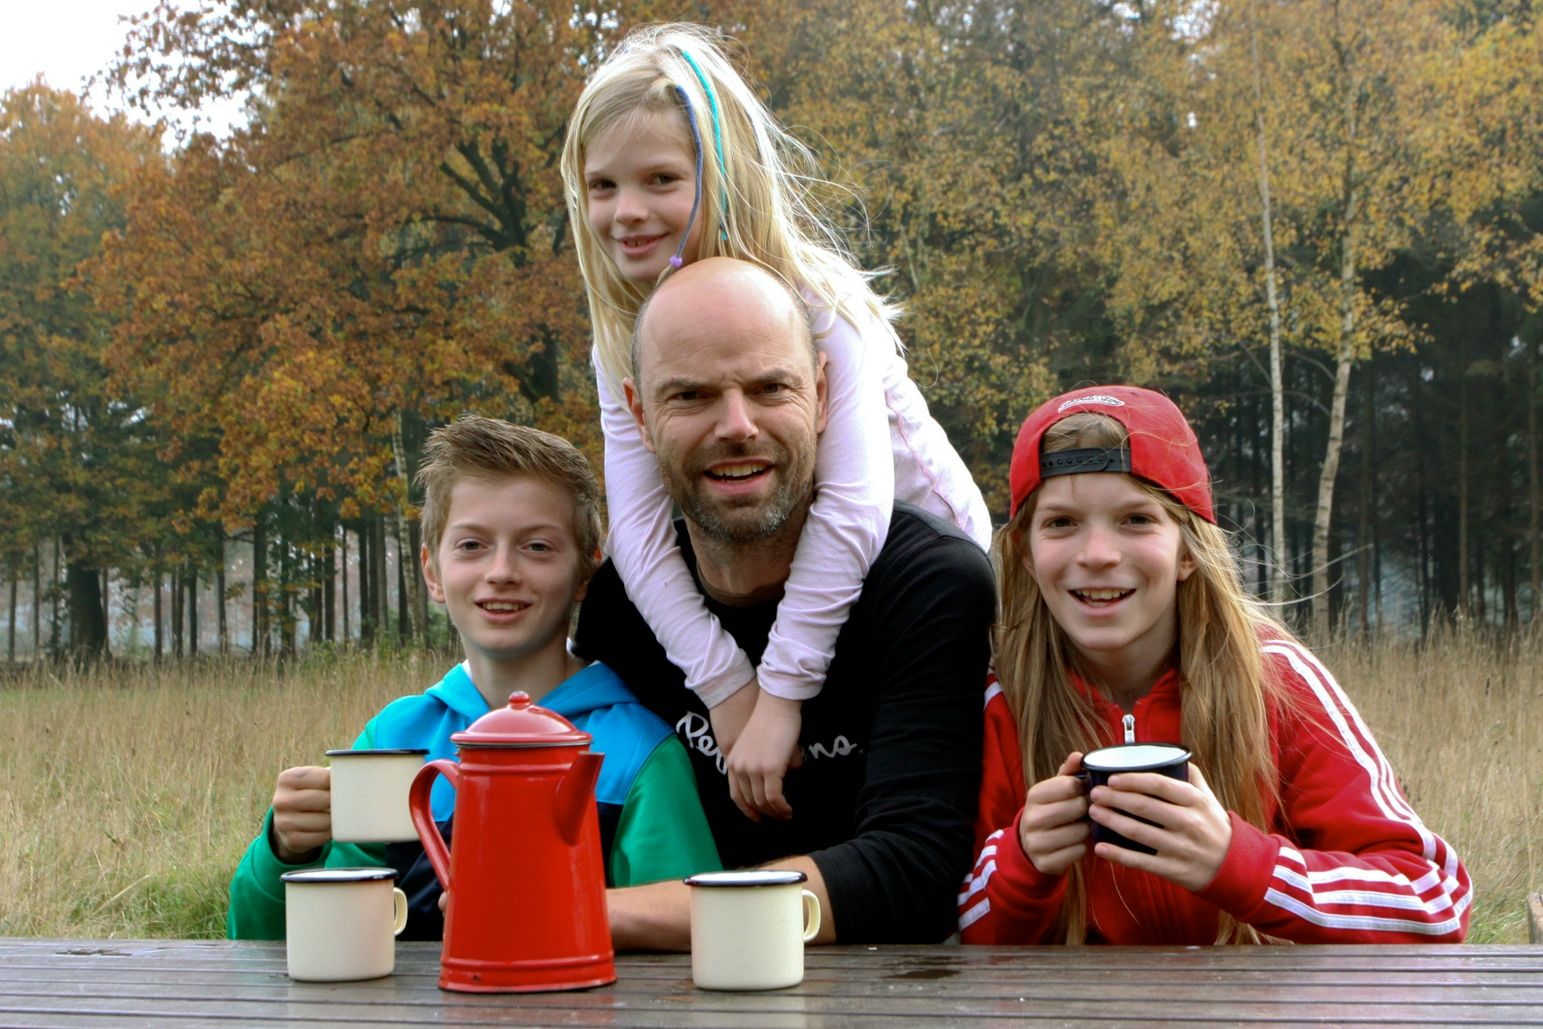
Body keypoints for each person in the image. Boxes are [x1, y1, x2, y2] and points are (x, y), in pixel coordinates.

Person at [560, 22, 990, 824]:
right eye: (602, 186)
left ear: (718, 174)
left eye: (659, 179)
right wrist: (724, 687)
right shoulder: (622, 335)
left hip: (910, 575)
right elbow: (642, 534)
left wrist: (781, 692)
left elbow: (855, 510)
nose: (626, 212)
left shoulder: (815, 302)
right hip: (772, 570)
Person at [576, 256, 995, 948]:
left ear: (824, 395)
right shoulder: (621, 611)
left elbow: (912, 873)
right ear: (638, 415)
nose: (736, 425)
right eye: (691, 396)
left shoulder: (928, 583)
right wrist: (338, 812)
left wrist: (589, 913)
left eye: (771, 387)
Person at [958, 386, 1472, 945]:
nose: (1098, 553)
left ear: (1187, 551)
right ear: (1026, 556)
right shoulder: (1000, 701)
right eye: (1061, 523)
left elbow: (1433, 900)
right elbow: (942, 929)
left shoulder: (1273, 680)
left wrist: (1238, 862)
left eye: (1136, 519)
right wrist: (1022, 864)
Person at [227, 416, 720, 941]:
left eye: (537, 547)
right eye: (471, 545)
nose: (502, 570)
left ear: (585, 575)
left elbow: (688, 932)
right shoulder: (396, 740)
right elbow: (267, 940)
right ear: (432, 572)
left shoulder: (638, 749)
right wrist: (284, 849)